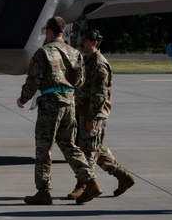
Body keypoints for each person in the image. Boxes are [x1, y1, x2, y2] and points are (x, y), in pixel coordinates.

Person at [15, 16, 97, 205]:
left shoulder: (43, 53)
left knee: (44, 148)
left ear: (50, 32)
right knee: (69, 145)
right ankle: (90, 181)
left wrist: (23, 99)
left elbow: (33, 80)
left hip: (51, 105)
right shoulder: (74, 53)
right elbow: (80, 81)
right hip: (69, 104)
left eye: (46, 31)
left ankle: (43, 191)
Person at [70, 28, 136, 203]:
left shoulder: (99, 65)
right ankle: (123, 177)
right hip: (84, 112)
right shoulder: (87, 60)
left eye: (85, 40)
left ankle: (86, 187)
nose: (81, 42)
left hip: (93, 115)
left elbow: (99, 95)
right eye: (81, 39)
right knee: (96, 148)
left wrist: (92, 118)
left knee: (88, 152)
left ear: (95, 42)